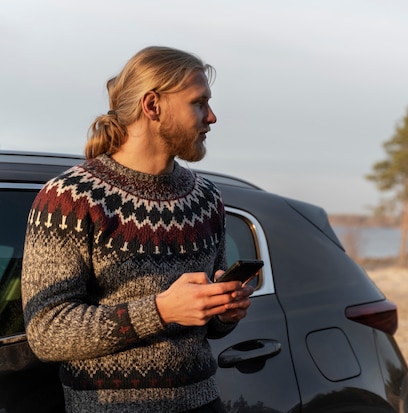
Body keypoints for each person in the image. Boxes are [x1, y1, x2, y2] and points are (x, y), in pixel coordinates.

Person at [21, 46, 254, 413]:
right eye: (198, 103)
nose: (212, 117)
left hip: (204, 403)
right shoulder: (71, 198)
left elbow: (207, 328)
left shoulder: (206, 198)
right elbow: (47, 331)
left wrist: (224, 311)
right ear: (152, 106)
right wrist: (161, 310)